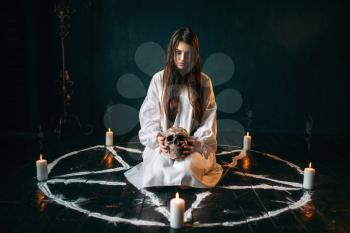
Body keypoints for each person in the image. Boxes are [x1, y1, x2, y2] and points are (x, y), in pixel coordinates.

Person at [124, 27, 222, 189]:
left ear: (195, 55)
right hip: (165, 146)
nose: (182, 58)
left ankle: (184, 174)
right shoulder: (159, 79)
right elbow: (149, 117)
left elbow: (208, 122)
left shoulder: (204, 82)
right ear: (172, 53)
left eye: (188, 53)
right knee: (157, 172)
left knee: (186, 172)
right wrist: (159, 139)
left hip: (193, 147)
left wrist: (194, 143)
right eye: (178, 52)